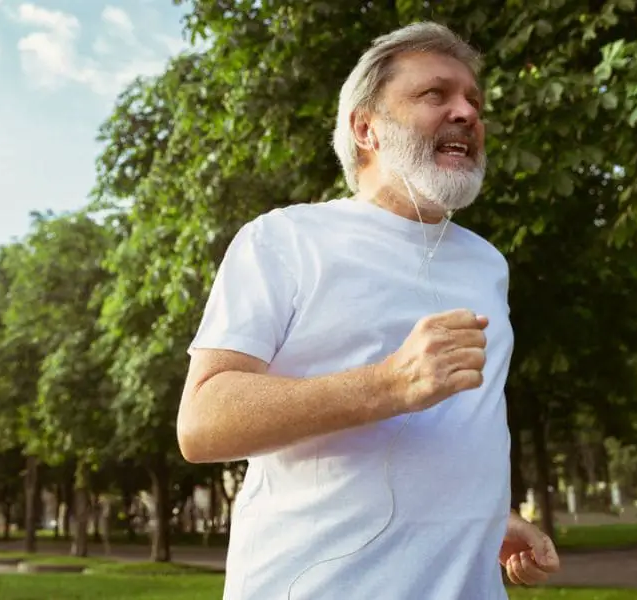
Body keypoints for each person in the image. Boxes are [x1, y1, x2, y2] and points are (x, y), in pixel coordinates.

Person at [177, 21, 561, 600]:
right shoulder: (284, 239)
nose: (466, 113)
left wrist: (482, 516)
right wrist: (388, 383)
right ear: (366, 128)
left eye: (473, 101)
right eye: (436, 95)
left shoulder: (487, 264)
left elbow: (451, 431)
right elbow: (203, 422)